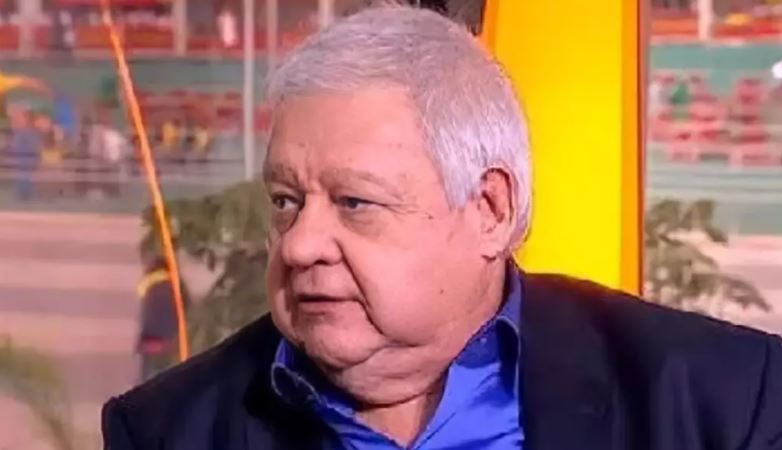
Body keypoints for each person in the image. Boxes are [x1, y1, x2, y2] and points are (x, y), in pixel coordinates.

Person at [102, 6, 782, 450]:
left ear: (489, 209)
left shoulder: (726, 401)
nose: (301, 244)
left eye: (355, 202)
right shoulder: (164, 430)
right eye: (286, 202)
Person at [136, 253, 189, 382]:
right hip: (171, 344)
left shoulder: (150, 286)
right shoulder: (177, 286)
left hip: (153, 344)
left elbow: (147, 318)